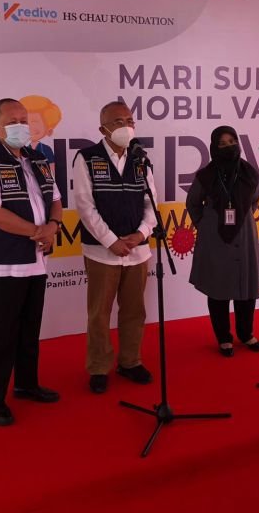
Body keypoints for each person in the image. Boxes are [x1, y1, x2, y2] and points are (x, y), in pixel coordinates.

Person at [0, 98, 63, 426]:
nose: (21, 126)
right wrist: (38, 231)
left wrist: (53, 226)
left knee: (28, 329)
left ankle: (26, 384)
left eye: (24, 119)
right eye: (12, 122)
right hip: (2, 263)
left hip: (36, 260)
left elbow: (56, 199)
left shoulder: (38, 158)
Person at [72, 101, 156, 394]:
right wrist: (111, 241)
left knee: (135, 311)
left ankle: (130, 362)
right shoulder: (87, 157)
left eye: (129, 120)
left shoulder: (140, 159)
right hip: (101, 252)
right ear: (103, 129)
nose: (126, 126)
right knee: (99, 313)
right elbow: (85, 206)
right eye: (118, 122)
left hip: (137, 250)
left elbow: (151, 203)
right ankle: (98, 366)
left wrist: (141, 234)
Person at [186, 126, 259, 357]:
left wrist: (240, 218)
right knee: (218, 289)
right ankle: (223, 338)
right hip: (215, 238)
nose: (229, 147)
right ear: (214, 147)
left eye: (232, 141)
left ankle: (246, 333)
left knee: (246, 288)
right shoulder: (206, 176)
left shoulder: (249, 172)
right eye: (222, 143)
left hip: (245, 235)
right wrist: (206, 225)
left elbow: (254, 200)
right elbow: (193, 204)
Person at [20, 95, 61, 174]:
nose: (30, 126)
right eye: (25, 121)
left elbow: (51, 172)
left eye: (34, 121)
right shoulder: (19, 149)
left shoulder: (46, 149)